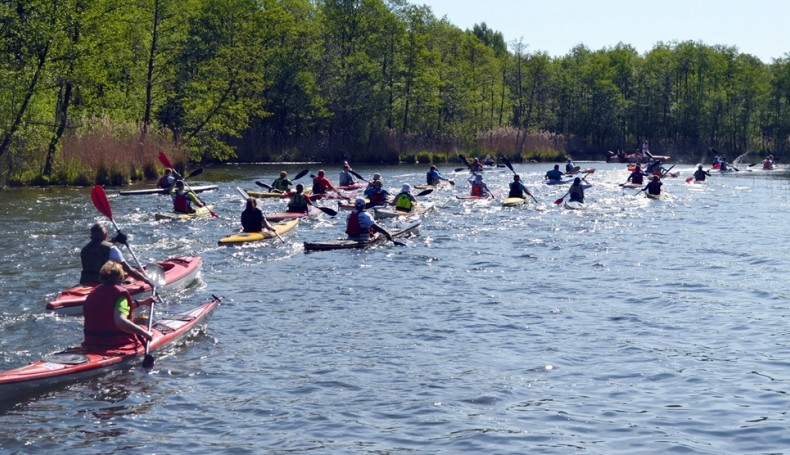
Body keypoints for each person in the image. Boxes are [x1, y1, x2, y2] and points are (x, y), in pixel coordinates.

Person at [82, 261, 154, 348]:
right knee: (143, 321)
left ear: (101, 278)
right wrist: (145, 333)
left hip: (92, 342)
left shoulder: (93, 293)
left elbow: (111, 309)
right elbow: (120, 322)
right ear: (121, 278)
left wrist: (143, 302)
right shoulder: (119, 295)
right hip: (116, 343)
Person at [80, 223, 148, 286]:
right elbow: (130, 271)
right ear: (106, 234)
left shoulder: (85, 249)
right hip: (105, 284)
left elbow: (98, 246)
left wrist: (115, 240)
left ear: (91, 237)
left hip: (85, 281)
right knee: (131, 275)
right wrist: (146, 280)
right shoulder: (112, 249)